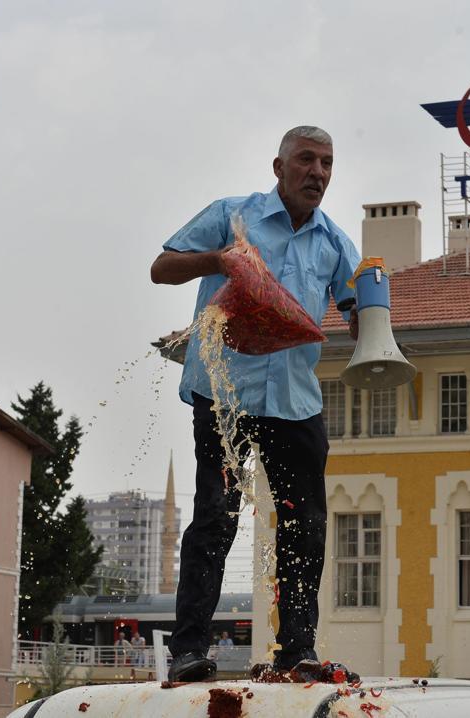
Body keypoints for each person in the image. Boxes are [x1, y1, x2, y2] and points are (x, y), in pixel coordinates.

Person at [151, 126, 361, 683]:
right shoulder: (232, 215)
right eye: (307, 160)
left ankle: (297, 651)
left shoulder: (336, 243)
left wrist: (372, 312)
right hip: (223, 395)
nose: (318, 172)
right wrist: (219, 261)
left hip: (295, 402)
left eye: (327, 163)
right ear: (279, 166)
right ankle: (189, 651)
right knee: (215, 519)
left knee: (305, 527)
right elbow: (162, 267)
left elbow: (357, 307)